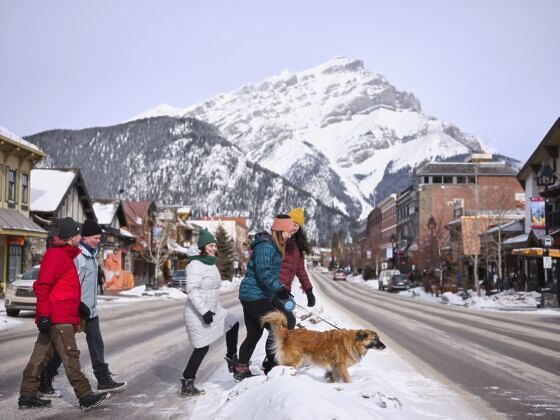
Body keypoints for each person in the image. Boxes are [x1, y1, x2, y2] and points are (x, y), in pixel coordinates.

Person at [18, 217, 108, 411]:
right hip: (58, 318)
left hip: (61, 314)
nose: (80, 237)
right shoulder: (56, 256)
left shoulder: (66, 255)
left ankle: (27, 395)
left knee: (39, 357)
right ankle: (85, 395)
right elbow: (42, 286)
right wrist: (43, 315)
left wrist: (77, 305)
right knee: (70, 356)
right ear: (71, 237)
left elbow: (62, 289)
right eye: (78, 234)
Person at [40, 219, 126, 398]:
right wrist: (78, 305)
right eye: (96, 238)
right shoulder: (78, 257)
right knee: (63, 348)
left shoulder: (91, 255)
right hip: (76, 310)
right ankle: (45, 380)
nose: (98, 241)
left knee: (96, 343)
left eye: (99, 238)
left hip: (90, 311)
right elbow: (71, 284)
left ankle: (102, 379)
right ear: (84, 237)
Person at [233, 214, 296, 381]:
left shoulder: (273, 246)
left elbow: (269, 273)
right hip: (253, 295)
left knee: (254, 333)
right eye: (289, 231)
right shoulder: (266, 247)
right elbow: (263, 273)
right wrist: (279, 288)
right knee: (278, 326)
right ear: (280, 230)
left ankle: (241, 368)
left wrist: (281, 290)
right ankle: (272, 364)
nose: (290, 235)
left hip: (259, 294)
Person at [181, 229, 239, 396]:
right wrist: (204, 311)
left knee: (233, 323)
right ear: (202, 247)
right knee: (202, 348)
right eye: (210, 245)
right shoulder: (195, 265)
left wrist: (212, 309)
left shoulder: (211, 263)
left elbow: (211, 291)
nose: (214, 248)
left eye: (215, 245)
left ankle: (232, 359)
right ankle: (187, 382)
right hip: (197, 312)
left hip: (213, 310)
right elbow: (192, 291)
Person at [262, 207, 315, 374]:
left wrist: (309, 290)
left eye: (297, 225)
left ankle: (272, 359)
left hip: (284, 291)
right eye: (293, 224)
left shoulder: (296, 246)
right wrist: (275, 286)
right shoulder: (280, 241)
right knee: (285, 323)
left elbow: (301, 270)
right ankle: (271, 360)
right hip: (273, 289)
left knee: (284, 324)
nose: (294, 228)